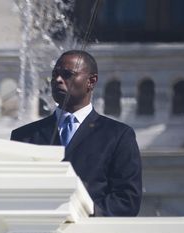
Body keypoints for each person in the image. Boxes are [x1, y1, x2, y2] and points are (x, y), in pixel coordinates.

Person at [10, 51, 142, 217]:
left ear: (91, 81)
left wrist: (85, 211)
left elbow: (127, 201)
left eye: (67, 74)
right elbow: (15, 192)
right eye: (54, 75)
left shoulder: (118, 135)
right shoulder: (23, 136)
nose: (58, 80)